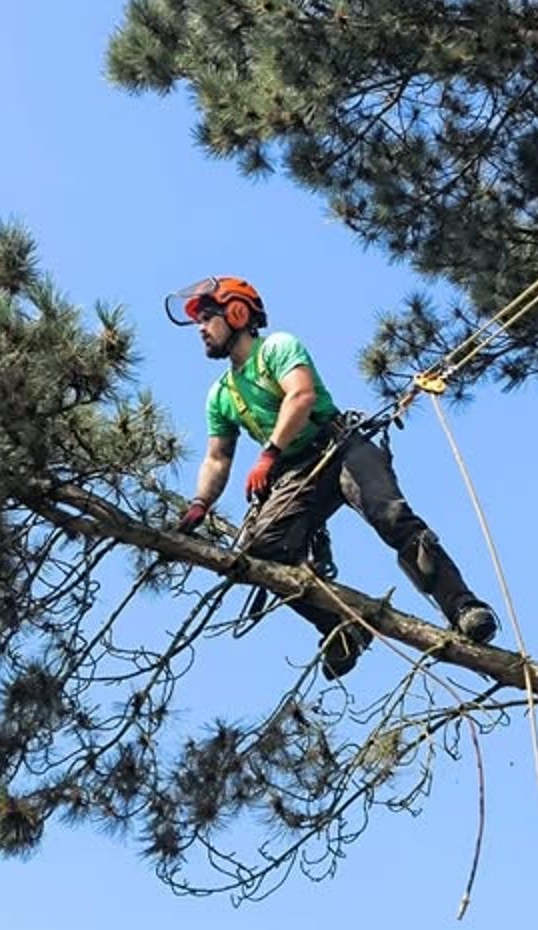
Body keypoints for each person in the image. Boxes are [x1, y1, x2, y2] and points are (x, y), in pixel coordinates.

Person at [171, 275, 499, 678]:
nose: (201, 329)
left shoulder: (276, 348)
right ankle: (339, 629)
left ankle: (463, 606)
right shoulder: (221, 393)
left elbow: (301, 396)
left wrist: (268, 453)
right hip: (295, 472)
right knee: (262, 551)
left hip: (339, 447)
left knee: (391, 516)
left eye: (206, 318)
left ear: (236, 313)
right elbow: (217, 457)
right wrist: (199, 504)